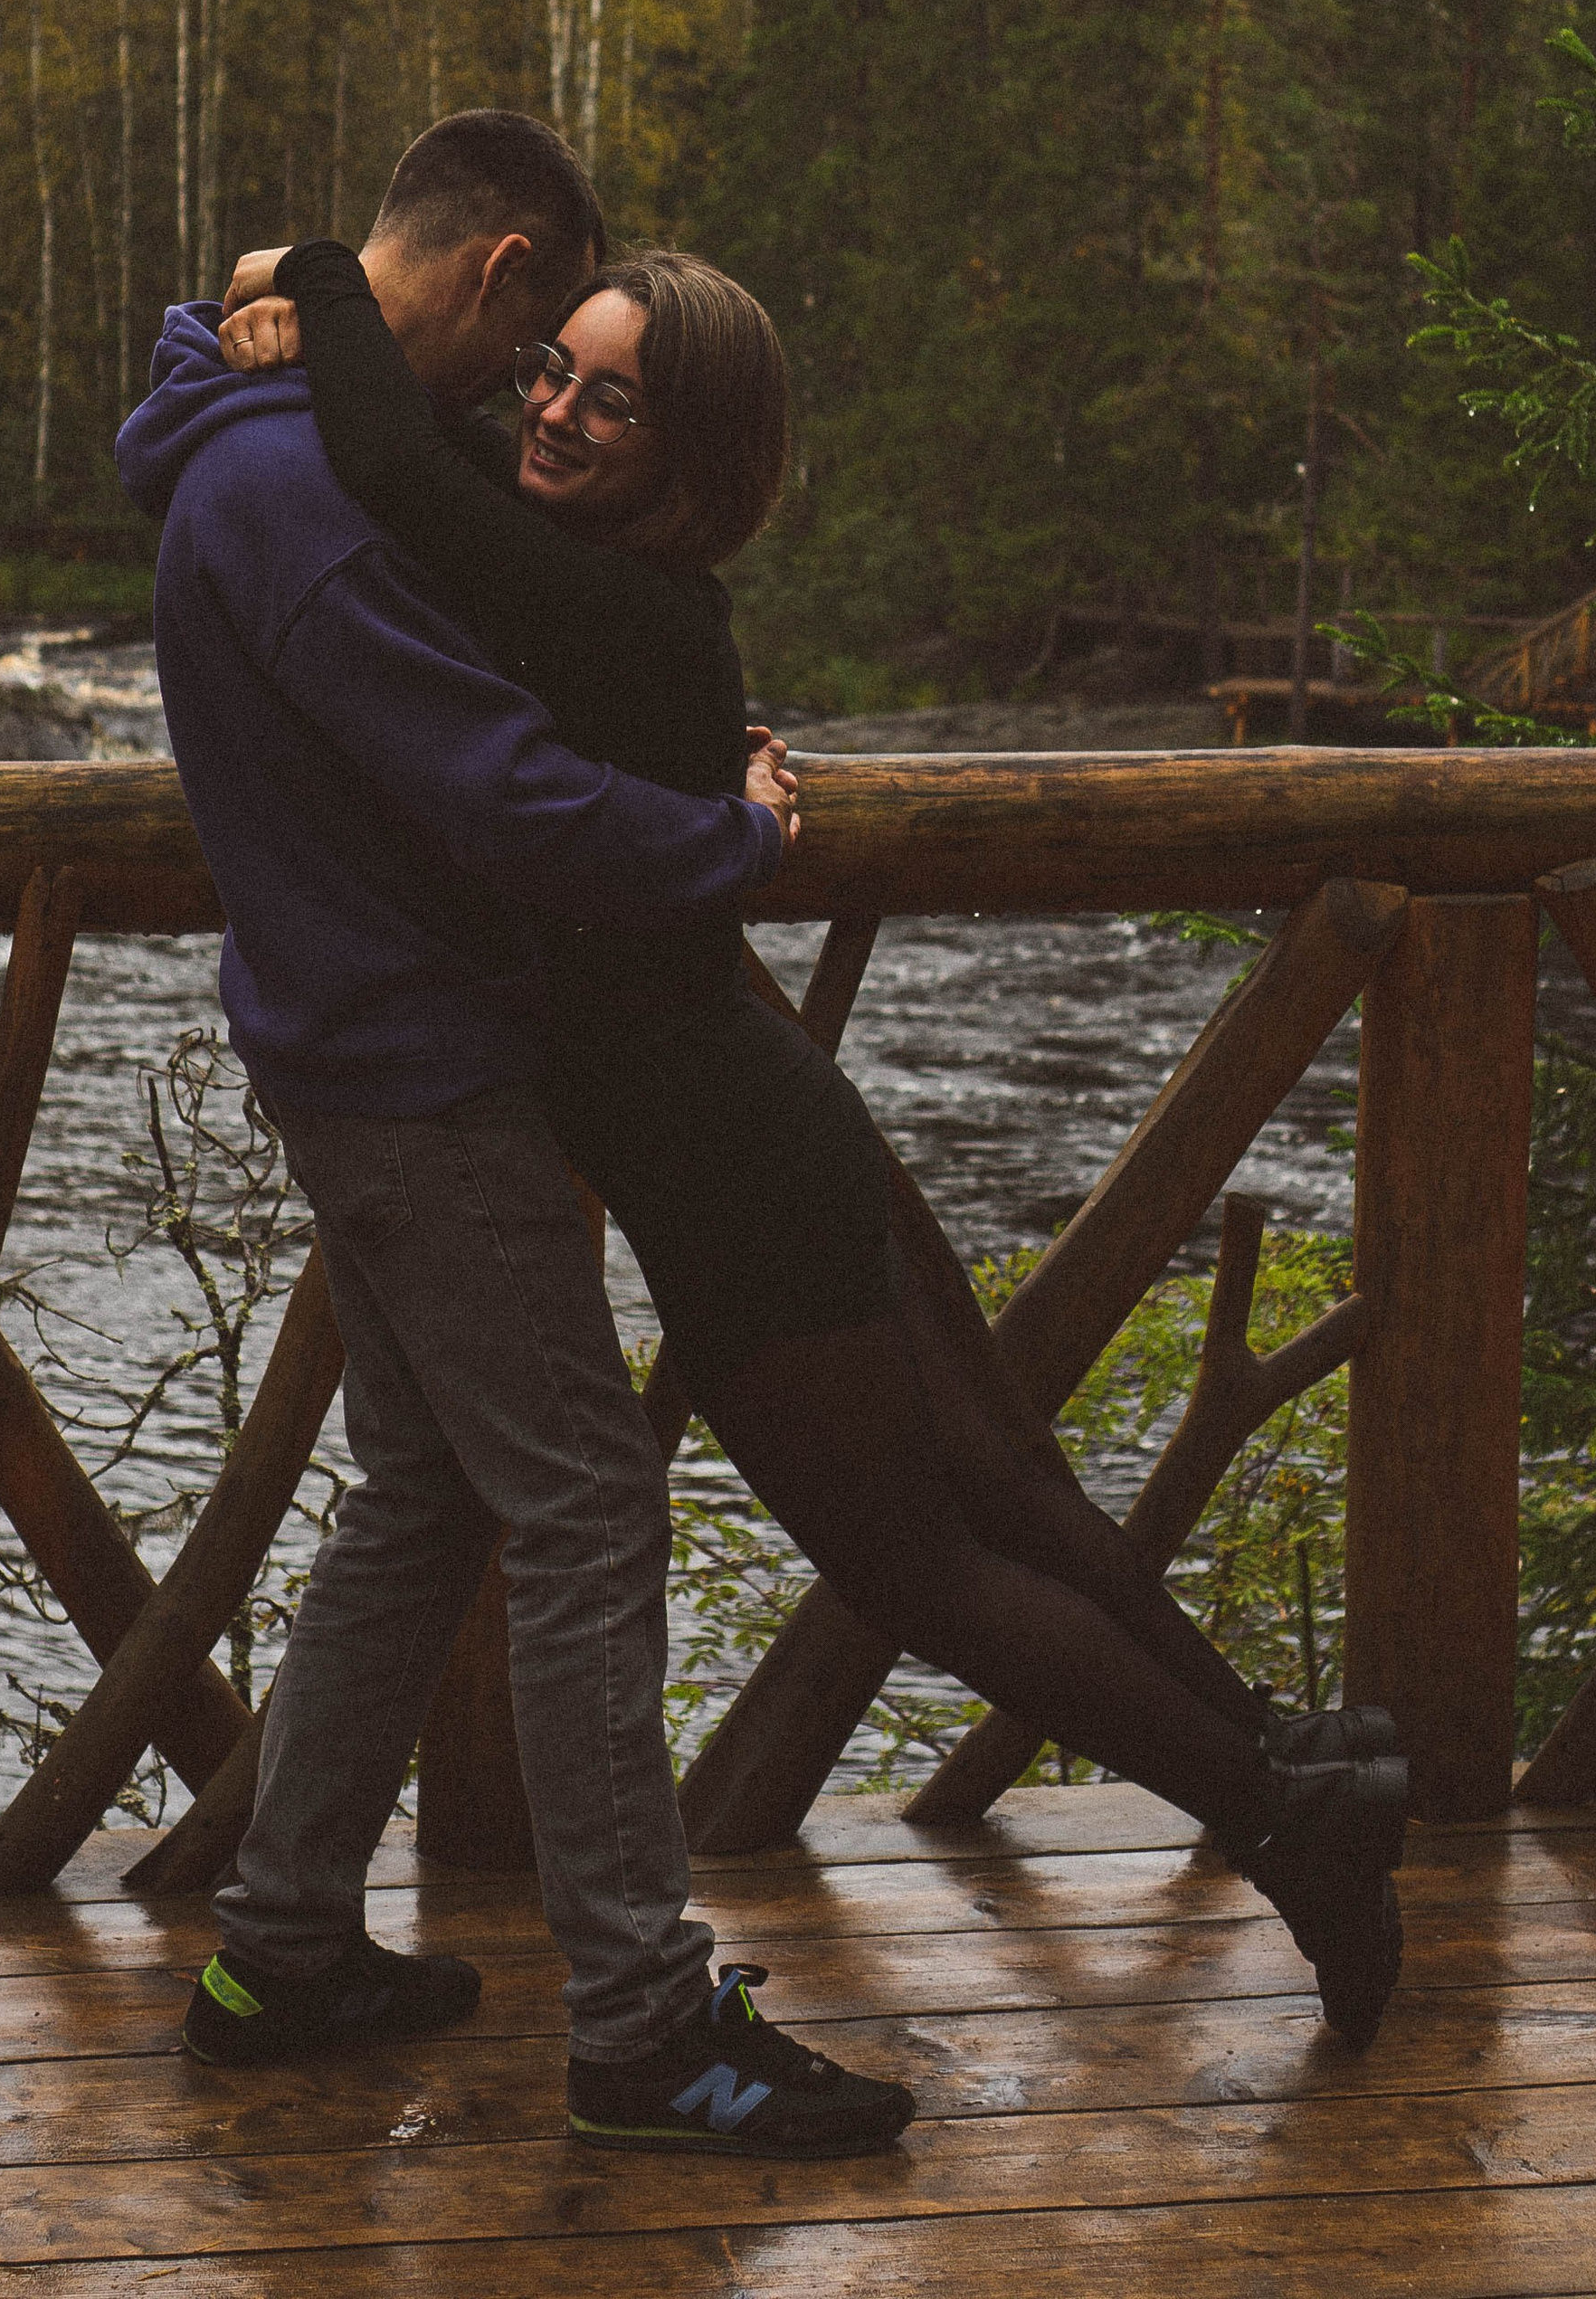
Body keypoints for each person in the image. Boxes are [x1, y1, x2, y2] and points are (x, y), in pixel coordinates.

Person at [216, 225, 1411, 2053]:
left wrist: (317, 259)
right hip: (769, 1114)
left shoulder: (589, 603)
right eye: (550, 369)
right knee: (1007, 1489)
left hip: (726, 1174)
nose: (550, 409)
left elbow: (390, 456)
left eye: (607, 398)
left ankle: (1278, 1825)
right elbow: (437, 447)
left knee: (920, 1572)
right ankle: (1282, 1754)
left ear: (686, 456)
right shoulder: (618, 585)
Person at [118, 109, 916, 2160]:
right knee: (583, 1508)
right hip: (410, 1068)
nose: (526, 397)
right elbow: (499, 794)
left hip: (346, 1039)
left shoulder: (249, 430)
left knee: (418, 1491)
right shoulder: (294, 491)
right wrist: (726, 840)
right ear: (496, 280)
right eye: (536, 342)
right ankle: (648, 2033)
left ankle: (281, 1943)